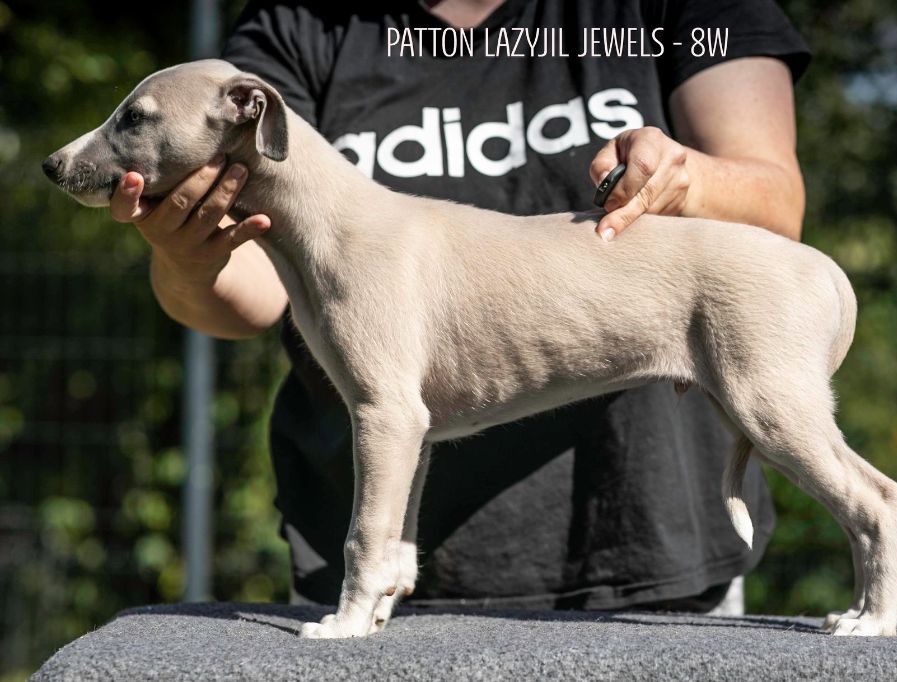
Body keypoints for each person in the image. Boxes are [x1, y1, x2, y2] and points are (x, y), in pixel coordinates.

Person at [109, 0, 809, 614]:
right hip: (370, 559)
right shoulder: (300, 22)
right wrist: (188, 257)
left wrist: (691, 179)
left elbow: (778, 215)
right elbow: (256, 294)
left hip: (652, 539)